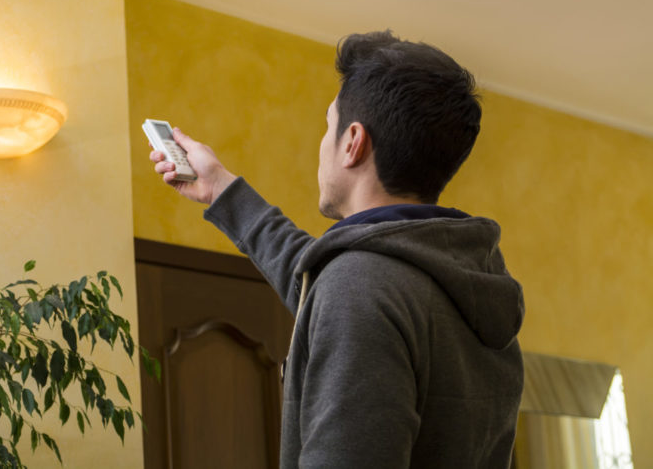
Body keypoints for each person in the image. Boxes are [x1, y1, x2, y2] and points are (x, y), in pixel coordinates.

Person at [149, 31, 524, 469]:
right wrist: (221, 190)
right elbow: (317, 280)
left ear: (353, 142)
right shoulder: (462, 284)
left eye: (328, 127)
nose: (323, 144)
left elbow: (343, 289)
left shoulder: (361, 288)